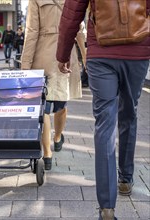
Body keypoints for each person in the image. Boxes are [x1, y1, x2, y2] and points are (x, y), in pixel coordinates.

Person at [56, 1, 150, 219]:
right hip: (139, 50)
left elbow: (72, 12)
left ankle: (107, 208)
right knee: (129, 113)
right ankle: (125, 178)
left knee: (105, 125)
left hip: (102, 52)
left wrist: (62, 54)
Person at [21, 0, 82, 171]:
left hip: (42, 53)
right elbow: (79, 29)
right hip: (66, 52)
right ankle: (57, 137)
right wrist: (87, 56)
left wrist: (25, 65)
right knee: (62, 101)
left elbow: (31, 31)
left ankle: (47, 154)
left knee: (45, 105)